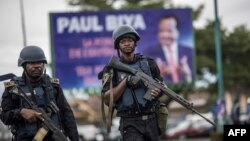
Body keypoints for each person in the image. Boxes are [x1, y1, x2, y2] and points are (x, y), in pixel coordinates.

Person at [100, 25, 168, 141]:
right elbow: (107, 99)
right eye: (123, 41)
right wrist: (126, 82)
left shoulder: (149, 64)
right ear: (118, 45)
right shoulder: (111, 69)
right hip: (130, 123)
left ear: (135, 43)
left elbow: (162, 87)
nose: (127, 44)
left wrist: (158, 92)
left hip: (151, 119)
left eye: (130, 40)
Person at [1, 46, 79, 141]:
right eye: (32, 63)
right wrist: (21, 113)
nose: (37, 66)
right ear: (23, 65)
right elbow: (4, 116)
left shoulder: (53, 86)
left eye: (40, 62)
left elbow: (67, 113)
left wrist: (74, 138)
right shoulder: (14, 88)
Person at [143, 14, 193, 84]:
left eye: (169, 31)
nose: (165, 35)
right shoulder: (148, 54)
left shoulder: (189, 52)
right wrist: (157, 74)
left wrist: (187, 74)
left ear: (177, 32)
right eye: (161, 31)